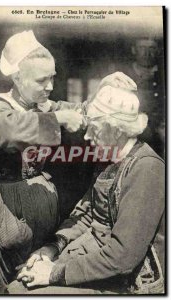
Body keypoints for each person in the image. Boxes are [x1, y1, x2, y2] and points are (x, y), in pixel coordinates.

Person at [13, 75, 165, 295]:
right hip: (92, 259)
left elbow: (122, 258)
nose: (87, 135)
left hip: (126, 284)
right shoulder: (109, 157)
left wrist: (54, 273)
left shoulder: (147, 169)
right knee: (17, 287)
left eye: (95, 128)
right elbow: (87, 215)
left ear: (118, 130)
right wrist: (50, 250)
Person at [0, 30, 84, 294]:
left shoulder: (44, 105)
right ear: (18, 77)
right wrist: (59, 119)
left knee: (35, 276)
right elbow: (11, 130)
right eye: (41, 80)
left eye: (52, 77)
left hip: (39, 213)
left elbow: (78, 110)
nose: (49, 86)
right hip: (2, 213)